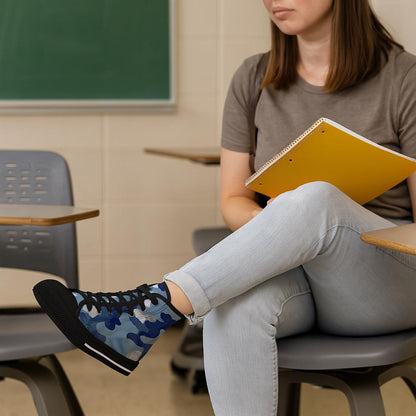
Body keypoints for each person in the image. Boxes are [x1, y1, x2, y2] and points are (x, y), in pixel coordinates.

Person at [33, 0, 416, 414]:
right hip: (299, 273)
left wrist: (308, 214)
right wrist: (286, 230)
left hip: (385, 284)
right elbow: (233, 200)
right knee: (231, 304)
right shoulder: (254, 77)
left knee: (315, 197)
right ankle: (153, 310)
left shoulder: (405, 78)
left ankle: (153, 306)